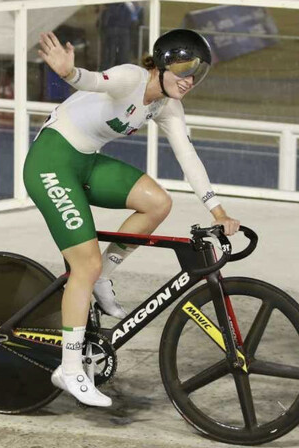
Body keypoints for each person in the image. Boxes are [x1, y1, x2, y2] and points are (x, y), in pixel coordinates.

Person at [24, 28, 240, 407]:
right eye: (184, 71)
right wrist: (69, 73)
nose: (189, 81)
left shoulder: (167, 105)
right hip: (52, 162)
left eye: (196, 74)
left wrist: (217, 210)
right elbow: (92, 81)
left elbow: (188, 156)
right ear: (161, 64)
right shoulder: (131, 77)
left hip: (86, 161)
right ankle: (70, 368)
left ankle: (104, 277)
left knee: (157, 202)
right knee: (83, 265)